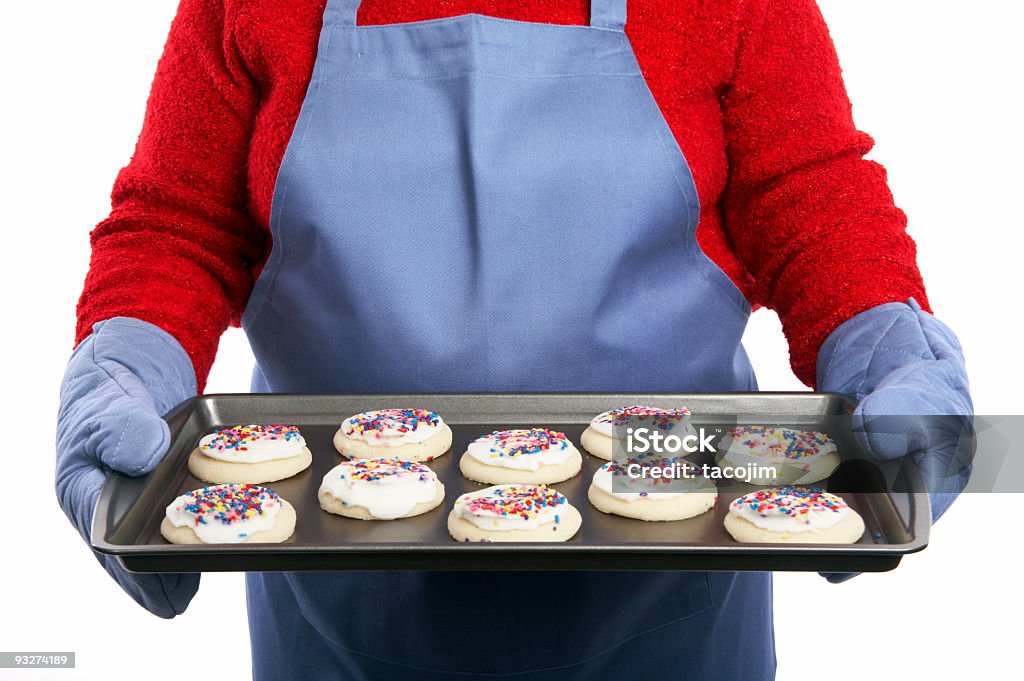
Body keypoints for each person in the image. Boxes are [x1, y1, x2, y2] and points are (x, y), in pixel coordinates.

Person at [56, 0, 972, 679]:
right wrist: (124, 363)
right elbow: (181, 220)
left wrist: (888, 349)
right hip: (341, 603)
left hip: (672, 588)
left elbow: (806, 191)